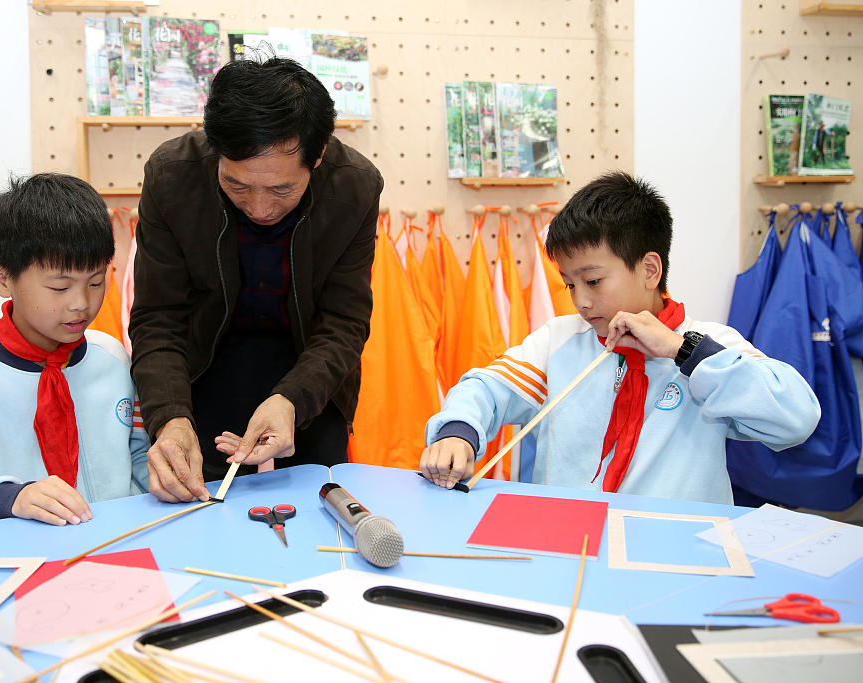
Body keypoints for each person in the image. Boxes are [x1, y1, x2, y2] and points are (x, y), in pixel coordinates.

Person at [419, 172, 820, 504]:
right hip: (566, 544)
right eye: (570, 284)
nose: (581, 300)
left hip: (674, 556)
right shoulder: (559, 340)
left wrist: (681, 350)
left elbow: (797, 418)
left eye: (593, 281)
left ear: (649, 270)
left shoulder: (708, 345)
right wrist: (458, 432)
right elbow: (486, 389)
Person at [129, 57, 384, 503]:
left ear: (318, 156)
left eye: (282, 189)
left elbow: (344, 322)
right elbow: (159, 316)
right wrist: (169, 417)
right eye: (237, 186)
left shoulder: (354, 187)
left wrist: (292, 400)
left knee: (317, 508)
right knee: (197, 510)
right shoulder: (172, 175)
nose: (260, 208)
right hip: (201, 369)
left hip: (311, 372)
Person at [0, 174, 150, 534]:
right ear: (2, 278)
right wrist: (7, 500)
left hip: (120, 550)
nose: (82, 303)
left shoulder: (113, 359)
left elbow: (140, 462)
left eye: (97, 281)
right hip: (24, 564)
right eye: (60, 287)